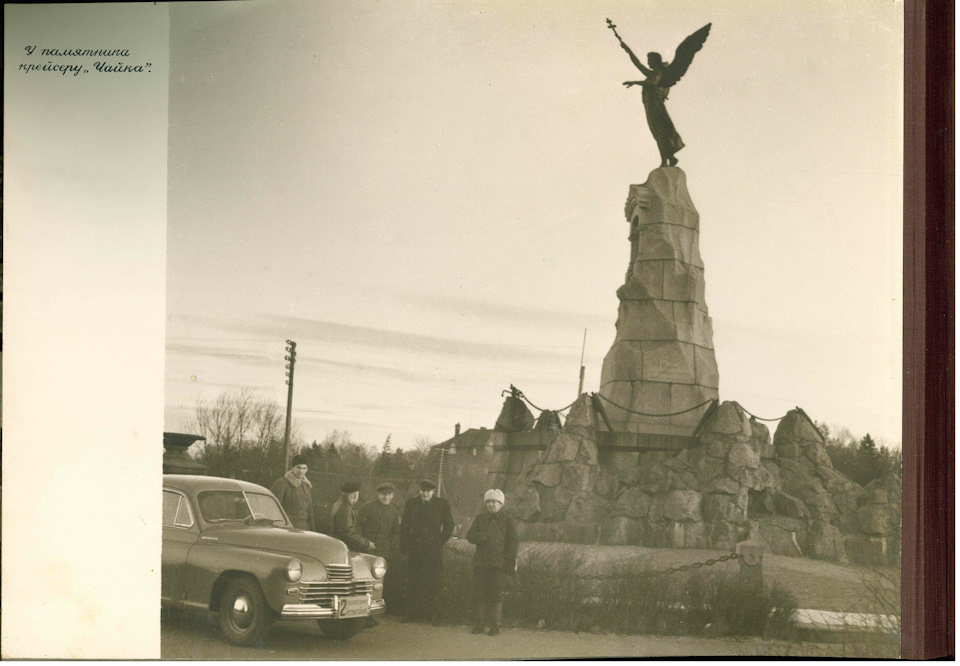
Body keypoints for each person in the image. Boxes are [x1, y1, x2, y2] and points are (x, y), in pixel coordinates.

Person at [399, 479, 455, 624]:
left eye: (428, 491)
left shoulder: (442, 504)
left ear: (433, 491)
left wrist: (439, 541)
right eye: (423, 491)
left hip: (433, 550)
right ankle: (410, 614)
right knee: (413, 581)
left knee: (434, 582)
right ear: (420, 491)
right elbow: (405, 526)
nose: (425, 494)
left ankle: (434, 615)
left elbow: (449, 525)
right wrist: (405, 545)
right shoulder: (411, 504)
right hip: (415, 549)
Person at [466, 489, 519, 636]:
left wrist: (507, 558)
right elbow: (469, 535)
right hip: (481, 563)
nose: (491, 504)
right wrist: (482, 537)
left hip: (498, 565)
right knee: (479, 594)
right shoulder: (479, 518)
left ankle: (495, 626)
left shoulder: (508, 520)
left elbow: (513, 541)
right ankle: (479, 625)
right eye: (488, 502)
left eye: (494, 502)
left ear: (500, 503)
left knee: (496, 595)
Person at [358, 482, 401, 626]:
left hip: (382, 553)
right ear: (378, 495)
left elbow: (395, 532)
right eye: (383, 494)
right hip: (366, 551)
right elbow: (358, 527)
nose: (386, 497)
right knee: (364, 583)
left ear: (393, 496)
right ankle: (360, 614)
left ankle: (370, 613)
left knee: (377, 584)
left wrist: (391, 548)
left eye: (389, 494)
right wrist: (364, 542)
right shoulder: (368, 508)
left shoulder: (394, 512)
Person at [271, 454, 315, 531]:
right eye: (298, 467)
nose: (301, 471)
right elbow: (274, 509)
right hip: (288, 529)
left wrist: (312, 530)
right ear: (292, 468)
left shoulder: (307, 486)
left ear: (307, 470)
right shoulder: (282, 483)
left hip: (304, 529)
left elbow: (310, 512)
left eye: (304, 468)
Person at [331, 481, 375, 553]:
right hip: (344, 549)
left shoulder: (339, 503)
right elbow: (348, 533)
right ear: (355, 495)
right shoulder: (346, 508)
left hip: (338, 546)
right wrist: (367, 543)